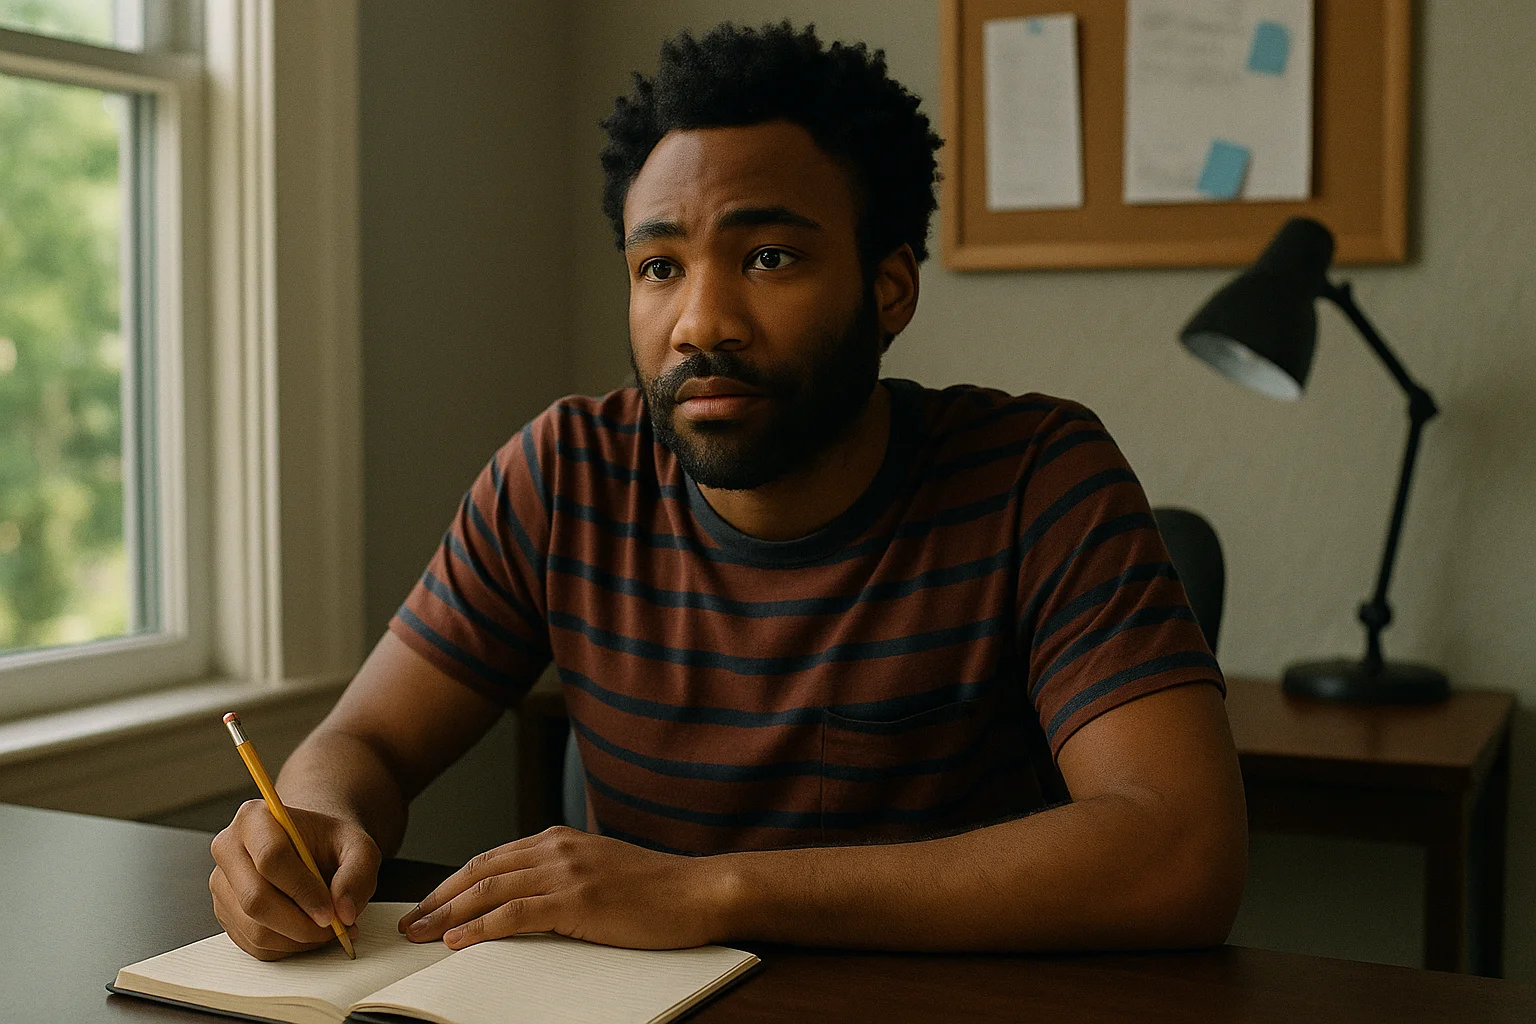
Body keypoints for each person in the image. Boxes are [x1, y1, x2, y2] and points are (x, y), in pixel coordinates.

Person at [209, 21, 1247, 962]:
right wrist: (308, 823)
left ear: (889, 289)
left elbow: (1177, 850)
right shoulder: (566, 473)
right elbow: (366, 744)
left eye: (768, 256)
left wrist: (714, 892)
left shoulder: (1037, 476)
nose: (701, 322)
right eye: (659, 267)